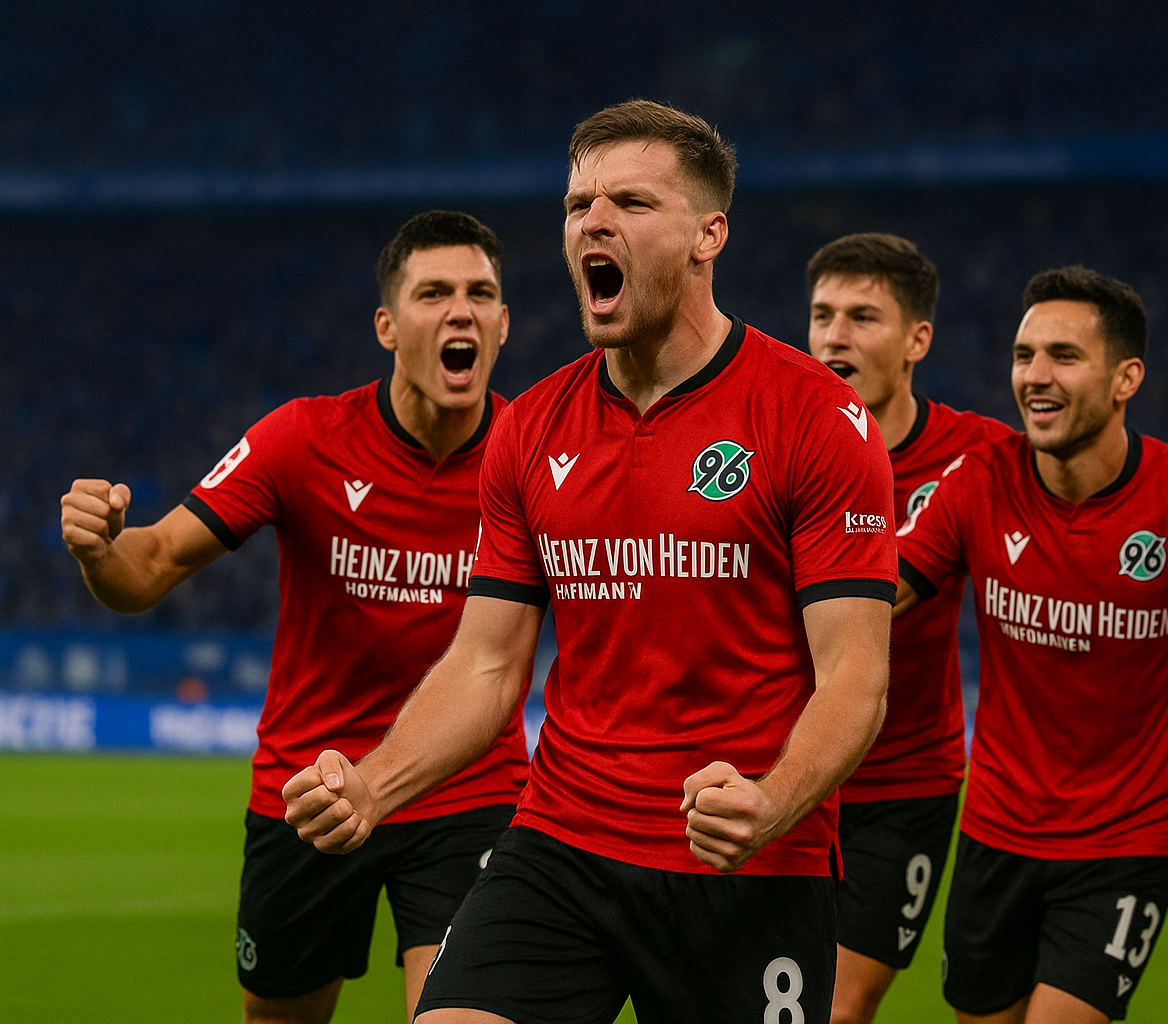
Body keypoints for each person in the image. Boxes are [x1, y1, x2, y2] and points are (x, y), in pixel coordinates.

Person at [283, 100, 897, 1024]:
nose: (593, 223)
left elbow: (856, 677)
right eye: (579, 205)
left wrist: (770, 803)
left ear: (708, 235)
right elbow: (486, 666)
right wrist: (374, 785)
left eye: (632, 203)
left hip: (746, 860)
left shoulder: (814, 418)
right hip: (562, 843)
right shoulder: (531, 427)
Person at [57, 210, 526, 1024]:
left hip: (467, 789)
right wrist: (101, 550)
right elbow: (152, 563)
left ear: (504, 322)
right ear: (387, 326)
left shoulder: (535, 455)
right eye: (433, 294)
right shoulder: (302, 439)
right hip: (309, 789)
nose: (461, 311)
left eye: (479, 294)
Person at [894, 266, 1168, 1024]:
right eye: (1024, 356)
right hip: (995, 828)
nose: (1035, 376)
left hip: (1126, 839)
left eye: (1064, 356)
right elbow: (873, 597)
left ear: (1126, 379)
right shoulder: (978, 480)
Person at [804, 232, 1014, 1024]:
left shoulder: (977, 454)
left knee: (838, 1007)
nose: (835, 336)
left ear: (917, 340)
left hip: (903, 786)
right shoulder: (766, 445)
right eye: (822, 315)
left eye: (863, 317)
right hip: (781, 765)